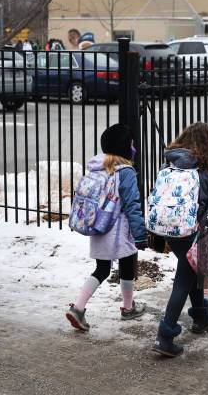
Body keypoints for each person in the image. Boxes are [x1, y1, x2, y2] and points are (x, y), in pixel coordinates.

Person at [151, 122, 208, 358]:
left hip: (170, 230)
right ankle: (165, 335)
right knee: (184, 278)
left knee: (191, 268)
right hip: (195, 231)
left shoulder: (173, 165)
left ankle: (201, 317)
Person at [66, 124, 148, 332]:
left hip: (100, 228)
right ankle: (128, 308)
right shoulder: (126, 172)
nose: (133, 148)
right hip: (120, 232)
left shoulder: (98, 167)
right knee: (127, 265)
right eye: (131, 144)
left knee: (102, 269)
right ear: (124, 148)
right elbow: (132, 205)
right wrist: (140, 234)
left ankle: (78, 307)